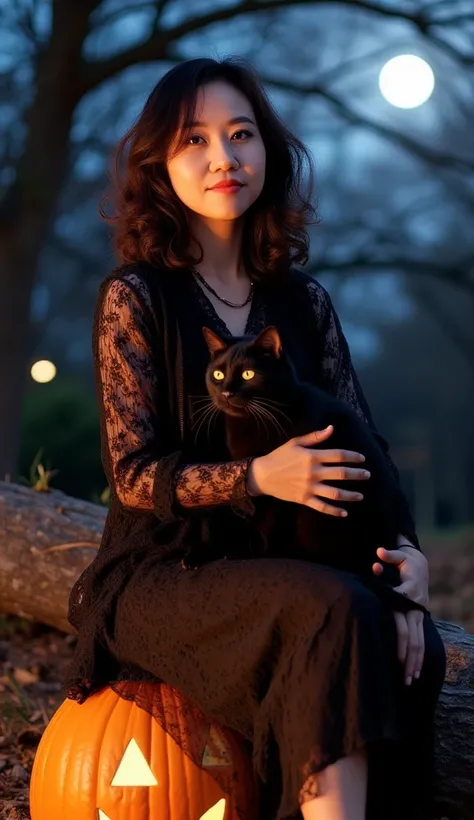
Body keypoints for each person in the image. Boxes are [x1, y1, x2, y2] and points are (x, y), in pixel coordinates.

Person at [62, 57, 446, 820]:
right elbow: (134, 476)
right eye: (193, 141)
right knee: (332, 612)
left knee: (410, 642)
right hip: (166, 571)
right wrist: (257, 478)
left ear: (267, 151)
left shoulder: (303, 303)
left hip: (300, 562)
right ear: (159, 165)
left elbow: (366, 447)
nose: (223, 158)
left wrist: (405, 562)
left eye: (240, 134)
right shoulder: (134, 298)